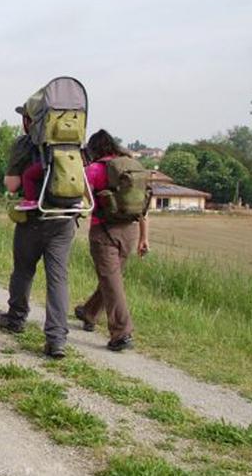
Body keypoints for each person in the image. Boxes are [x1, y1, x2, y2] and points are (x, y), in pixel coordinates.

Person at [0, 104, 77, 359]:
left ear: (31, 121)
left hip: (33, 218)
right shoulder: (73, 144)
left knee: (23, 269)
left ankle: (16, 318)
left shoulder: (25, 144)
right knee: (58, 278)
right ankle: (56, 339)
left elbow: (11, 184)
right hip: (64, 219)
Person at [74, 129, 150, 352]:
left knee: (111, 281)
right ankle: (89, 312)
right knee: (111, 279)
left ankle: (121, 332)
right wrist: (144, 237)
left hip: (103, 232)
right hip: (130, 230)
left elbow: (83, 198)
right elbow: (143, 207)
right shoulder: (132, 168)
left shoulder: (94, 170)